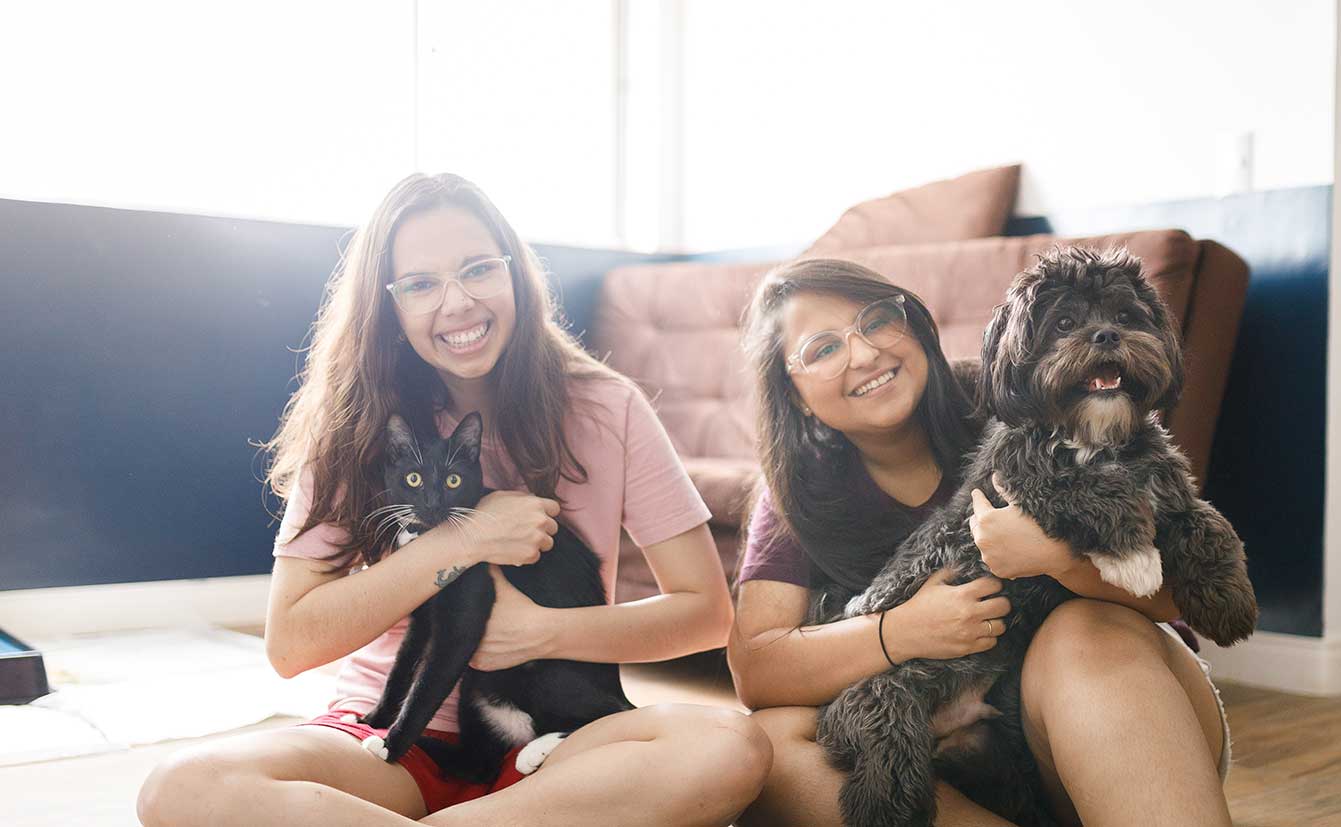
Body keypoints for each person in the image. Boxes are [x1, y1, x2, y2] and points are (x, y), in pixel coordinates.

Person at [137, 173, 770, 826]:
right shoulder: (356, 422)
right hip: (386, 741)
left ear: (514, 273)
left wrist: (547, 631)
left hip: (555, 743)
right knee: (182, 787)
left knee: (730, 745)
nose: (458, 302)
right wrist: (466, 537)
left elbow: (706, 613)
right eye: (420, 283)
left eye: (477, 269)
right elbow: (291, 643)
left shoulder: (608, 406)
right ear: (389, 305)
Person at [728, 258, 1237, 827]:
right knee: (771, 740)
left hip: (1127, 717)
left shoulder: (1031, 388)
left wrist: (1061, 562)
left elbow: (1183, 600)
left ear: (915, 325)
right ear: (794, 394)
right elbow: (758, 670)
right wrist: (900, 631)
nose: (865, 354)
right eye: (823, 349)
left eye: (875, 321)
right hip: (965, 764)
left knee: (1078, 632)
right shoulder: (796, 492)